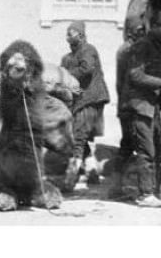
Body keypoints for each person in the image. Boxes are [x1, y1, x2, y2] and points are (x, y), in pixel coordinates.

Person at [110, 9, 161, 208]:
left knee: (158, 150)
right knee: (146, 151)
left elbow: (156, 72)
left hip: (151, 107)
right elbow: (136, 75)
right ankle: (145, 194)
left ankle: (158, 190)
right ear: (153, 26)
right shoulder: (142, 47)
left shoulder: (156, 47)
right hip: (138, 107)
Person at [60, 20, 111, 192]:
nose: (68, 36)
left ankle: (70, 177)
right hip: (76, 101)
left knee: (78, 138)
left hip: (90, 98)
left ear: (81, 35)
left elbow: (87, 69)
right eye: (67, 33)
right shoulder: (67, 58)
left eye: (72, 32)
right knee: (78, 136)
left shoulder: (88, 50)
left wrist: (65, 75)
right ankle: (92, 171)